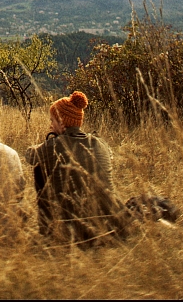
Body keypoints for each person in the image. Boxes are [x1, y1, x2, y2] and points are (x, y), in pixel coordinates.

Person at [25, 91, 130, 245]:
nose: (50, 125)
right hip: (110, 228)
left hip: (72, 233)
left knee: (39, 169)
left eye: (52, 121)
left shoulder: (54, 146)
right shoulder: (99, 144)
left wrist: (47, 143)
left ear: (61, 123)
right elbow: (110, 155)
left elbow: (30, 156)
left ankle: (47, 229)